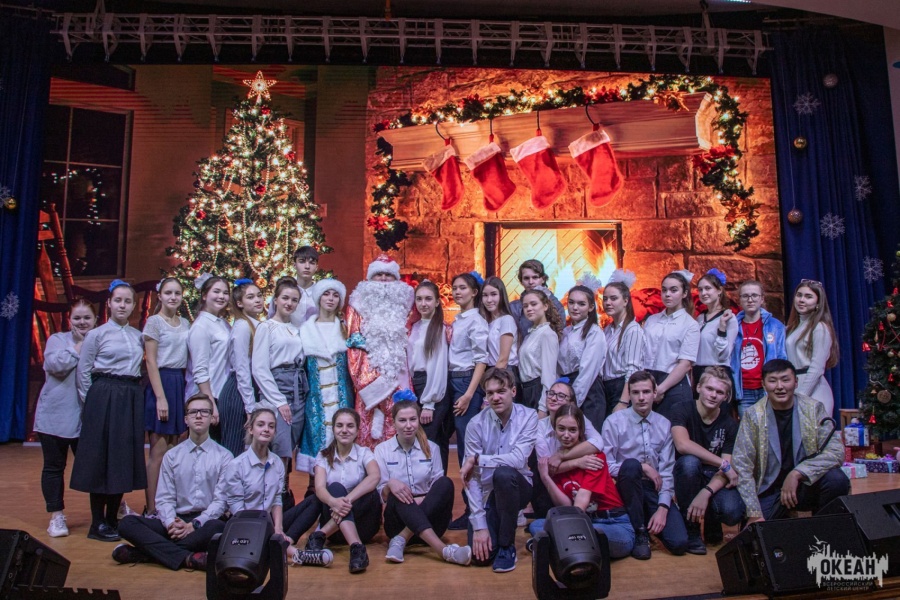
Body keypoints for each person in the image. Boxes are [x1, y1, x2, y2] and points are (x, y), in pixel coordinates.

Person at [114, 394, 232, 571]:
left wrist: (193, 525)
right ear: (186, 419)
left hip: (205, 522)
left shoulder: (225, 456)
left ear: (211, 417)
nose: (198, 416)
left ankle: (147, 553)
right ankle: (187, 558)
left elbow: (220, 502)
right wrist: (171, 523)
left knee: (220, 528)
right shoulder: (172, 456)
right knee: (127, 523)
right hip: (177, 519)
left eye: (204, 412)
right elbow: (164, 498)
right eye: (193, 412)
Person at [71, 280, 147, 542]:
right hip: (104, 395)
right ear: (109, 304)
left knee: (121, 458)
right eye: (118, 300)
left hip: (130, 395)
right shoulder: (97, 334)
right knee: (101, 459)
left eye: (127, 301)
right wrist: (91, 403)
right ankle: (97, 523)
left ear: (134, 305)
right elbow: (83, 371)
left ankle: (113, 518)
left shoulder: (138, 336)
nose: (122, 305)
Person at [732, 359, 849, 523]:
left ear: (796, 382)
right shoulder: (753, 415)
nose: (779, 386)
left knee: (837, 480)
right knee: (758, 534)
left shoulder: (813, 409)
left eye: (785, 380)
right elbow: (742, 464)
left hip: (805, 485)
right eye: (773, 381)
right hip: (770, 489)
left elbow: (836, 452)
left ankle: (822, 528)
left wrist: (797, 473)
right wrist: (754, 512)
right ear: (763, 385)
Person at [529, 404, 635, 559]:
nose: (566, 435)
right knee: (536, 525)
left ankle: (553, 545)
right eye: (561, 429)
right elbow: (566, 506)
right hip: (585, 522)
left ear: (581, 431)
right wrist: (546, 477)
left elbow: (580, 504)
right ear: (554, 429)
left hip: (612, 523)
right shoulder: (558, 463)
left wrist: (563, 530)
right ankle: (565, 544)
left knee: (578, 533)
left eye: (572, 430)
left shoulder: (594, 458)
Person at [602, 370, 688, 560]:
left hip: (653, 488)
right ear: (629, 394)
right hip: (625, 487)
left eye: (646, 392)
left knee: (679, 543)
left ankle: (649, 519)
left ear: (654, 393)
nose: (641, 397)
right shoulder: (614, 422)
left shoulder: (664, 424)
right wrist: (643, 467)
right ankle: (640, 531)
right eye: (635, 392)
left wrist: (663, 508)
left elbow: (667, 471)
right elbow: (606, 465)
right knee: (632, 465)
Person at [282, 408, 381, 574]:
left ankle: (319, 535)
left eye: (350, 426)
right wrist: (333, 502)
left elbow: (375, 476)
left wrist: (345, 502)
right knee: (333, 489)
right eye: (339, 425)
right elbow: (319, 488)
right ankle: (357, 548)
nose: (344, 430)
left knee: (370, 492)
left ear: (357, 430)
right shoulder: (323, 456)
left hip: (363, 525)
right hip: (336, 533)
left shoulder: (364, 453)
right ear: (333, 429)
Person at [375, 400, 472, 566]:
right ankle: (443, 550)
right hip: (397, 522)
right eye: (402, 420)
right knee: (397, 490)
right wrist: (390, 484)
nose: (408, 425)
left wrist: (419, 501)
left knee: (445, 483)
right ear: (393, 422)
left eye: (412, 419)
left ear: (418, 420)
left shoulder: (432, 448)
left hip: (432, 522)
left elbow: (437, 489)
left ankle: (402, 539)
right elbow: (381, 496)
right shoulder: (381, 450)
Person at [462, 367, 538, 572]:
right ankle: (495, 531)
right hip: (488, 493)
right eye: (490, 393)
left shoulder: (529, 416)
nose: (495, 397)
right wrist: (479, 526)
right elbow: (471, 478)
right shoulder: (475, 424)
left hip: (518, 486)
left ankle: (507, 546)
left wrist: (478, 459)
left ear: (513, 391)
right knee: (481, 557)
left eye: (501, 391)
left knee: (503, 474)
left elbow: (518, 459)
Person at [34, 298, 96, 538]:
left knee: (96, 466)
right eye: (77, 318)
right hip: (55, 415)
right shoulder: (57, 340)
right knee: (54, 467)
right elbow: (54, 365)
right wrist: (78, 348)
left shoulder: (100, 339)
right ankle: (57, 516)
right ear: (69, 320)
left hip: (87, 417)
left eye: (87, 317)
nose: (82, 322)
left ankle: (113, 508)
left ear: (95, 319)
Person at [670, 366, 744, 555]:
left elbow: (726, 472)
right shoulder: (681, 409)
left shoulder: (730, 424)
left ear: (725, 397)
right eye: (709, 389)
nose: (713, 395)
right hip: (686, 474)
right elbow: (682, 445)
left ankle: (712, 519)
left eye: (719, 392)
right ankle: (692, 529)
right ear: (698, 388)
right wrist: (722, 464)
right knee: (690, 462)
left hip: (713, 477)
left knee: (733, 511)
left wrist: (706, 492)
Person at [346, 254, 414, 449]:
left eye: (388, 275)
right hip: (369, 378)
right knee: (368, 428)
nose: (383, 279)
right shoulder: (357, 304)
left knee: (399, 422)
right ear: (370, 277)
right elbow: (354, 342)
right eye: (378, 274)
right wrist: (370, 378)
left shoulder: (407, 302)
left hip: (400, 375)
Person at [252, 277, 306, 509]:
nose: (289, 303)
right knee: (279, 445)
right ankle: (273, 497)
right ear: (275, 300)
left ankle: (284, 494)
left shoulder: (297, 328)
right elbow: (259, 368)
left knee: (290, 447)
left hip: (298, 387)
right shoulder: (266, 327)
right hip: (278, 387)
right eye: (285, 298)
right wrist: (279, 401)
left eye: (294, 300)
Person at [142, 277, 190, 517]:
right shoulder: (154, 322)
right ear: (159, 296)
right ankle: (151, 508)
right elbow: (151, 361)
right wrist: (161, 398)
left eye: (177, 293)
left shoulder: (185, 323)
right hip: (161, 383)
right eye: (168, 293)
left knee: (174, 451)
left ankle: (168, 505)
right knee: (158, 452)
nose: (173, 297)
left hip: (179, 383)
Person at [445, 272, 490, 530]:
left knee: (467, 448)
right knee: (462, 446)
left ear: (474, 292)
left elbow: (481, 361)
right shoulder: (459, 319)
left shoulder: (477, 321)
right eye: (454, 288)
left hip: (466, 382)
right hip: (453, 380)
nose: (457, 292)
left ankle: (474, 510)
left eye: (463, 288)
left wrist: (469, 394)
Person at [297, 278, 355, 475]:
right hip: (315, 401)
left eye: (335, 295)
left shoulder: (346, 329)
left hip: (343, 398)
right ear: (318, 298)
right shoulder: (305, 331)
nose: (330, 298)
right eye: (326, 294)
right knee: (316, 440)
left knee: (343, 440)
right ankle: (314, 487)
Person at [532, 379, 606, 520]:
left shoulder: (579, 419)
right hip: (550, 480)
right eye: (551, 393)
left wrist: (562, 455)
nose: (553, 398)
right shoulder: (538, 426)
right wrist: (577, 462)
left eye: (561, 396)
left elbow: (598, 443)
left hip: (575, 479)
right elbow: (547, 468)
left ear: (571, 403)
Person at [641, 271, 700, 419]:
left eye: (674, 290)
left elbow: (685, 364)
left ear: (684, 293)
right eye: (664, 290)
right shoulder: (652, 320)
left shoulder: (690, 324)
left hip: (673, 385)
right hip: (649, 381)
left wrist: (660, 389)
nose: (667, 294)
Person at [225, 408, 288, 545]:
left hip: (269, 521)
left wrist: (278, 528)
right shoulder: (236, 465)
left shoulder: (277, 462)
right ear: (250, 429)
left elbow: (277, 499)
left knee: (309, 504)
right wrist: (255, 530)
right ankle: (296, 553)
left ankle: (284, 542)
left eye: (271, 426)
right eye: (260, 425)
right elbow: (236, 506)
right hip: (244, 524)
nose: (266, 429)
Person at [217, 279, 265, 457]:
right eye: (250, 297)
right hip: (238, 392)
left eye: (259, 295)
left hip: (250, 388)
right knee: (233, 449)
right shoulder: (242, 326)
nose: (257, 300)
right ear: (239, 303)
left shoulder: (256, 324)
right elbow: (241, 369)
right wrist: (250, 407)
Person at [407, 280, 451, 470]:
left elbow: (438, 367)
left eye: (428, 299)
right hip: (416, 385)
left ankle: (436, 482)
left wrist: (429, 403)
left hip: (431, 388)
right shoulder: (415, 326)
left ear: (437, 302)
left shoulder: (439, 328)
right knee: (422, 440)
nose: (423, 303)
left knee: (430, 441)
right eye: (419, 299)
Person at [731, 280, 786, 417]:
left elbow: (782, 357)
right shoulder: (733, 326)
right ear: (740, 300)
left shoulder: (775, 326)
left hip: (767, 389)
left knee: (771, 427)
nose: (750, 300)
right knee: (748, 428)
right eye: (745, 296)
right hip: (743, 391)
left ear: (762, 299)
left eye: (754, 295)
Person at [785, 279, 839, 417]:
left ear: (818, 303)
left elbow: (817, 367)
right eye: (799, 295)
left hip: (813, 390)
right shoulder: (792, 327)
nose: (802, 300)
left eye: (808, 297)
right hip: (794, 384)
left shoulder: (820, 327)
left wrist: (801, 396)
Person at [186, 274, 231, 433]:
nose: (221, 296)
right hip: (208, 397)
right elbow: (199, 369)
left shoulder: (223, 323)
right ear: (204, 295)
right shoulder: (201, 326)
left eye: (225, 293)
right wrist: (209, 403)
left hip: (222, 393)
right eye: (216, 291)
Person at [558, 284, 607, 431]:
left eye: (581, 304)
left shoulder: (594, 332)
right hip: (567, 388)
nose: (575, 307)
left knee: (586, 435)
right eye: (571, 302)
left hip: (589, 392)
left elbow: (588, 371)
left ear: (591, 307)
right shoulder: (565, 332)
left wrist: (572, 403)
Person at [601, 270, 645, 414]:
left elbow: (633, 369)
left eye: (613, 298)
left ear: (625, 301)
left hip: (621, 389)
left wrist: (623, 401)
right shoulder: (608, 330)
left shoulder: (632, 330)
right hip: (606, 388)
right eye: (605, 299)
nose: (608, 302)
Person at [518, 288, 562, 414]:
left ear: (545, 306)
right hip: (526, 390)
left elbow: (549, 375)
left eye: (534, 304)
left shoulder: (547, 334)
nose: (529, 308)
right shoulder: (531, 334)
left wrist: (543, 407)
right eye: (525, 306)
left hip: (538, 391)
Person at [693, 269, 737, 392]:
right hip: (698, 372)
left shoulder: (729, 318)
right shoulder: (700, 318)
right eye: (700, 289)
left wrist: (722, 328)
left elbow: (724, 355)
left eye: (708, 288)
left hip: (717, 374)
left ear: (719, 290)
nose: (703, 293)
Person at [509, 259, 566, 341]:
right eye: (526, 278)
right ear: (521, 281)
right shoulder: (513, 307)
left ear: (543, 279)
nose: (531, 282)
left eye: (535, 277)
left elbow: (559, 336)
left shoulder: (556, 305)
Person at [479, 276, 519, 377]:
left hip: (504, 372)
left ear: (501, 295)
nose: (489, 300)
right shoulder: (487, 323)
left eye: (493, 294)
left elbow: (503, 359)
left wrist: (492, 379)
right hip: (491, 370)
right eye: (485, 295)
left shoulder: (506, 320)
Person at [291, 246, 321, 326]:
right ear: (294, 265)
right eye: (302, 261)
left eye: (312, 263)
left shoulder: (321, 294)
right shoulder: (285, 292)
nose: (307, 266)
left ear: (316, 267)